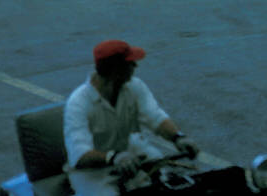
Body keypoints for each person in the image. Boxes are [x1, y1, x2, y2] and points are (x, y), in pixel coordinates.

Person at [63, 40, 199, 196]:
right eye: (130, 63)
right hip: (93, 171)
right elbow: (79, 154)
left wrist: (178, 137)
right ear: (116, 70)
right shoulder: (78, 103)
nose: (135, 66)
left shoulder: (135, 86)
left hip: (130, 154)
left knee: (166, 181)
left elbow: (154, 117)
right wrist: (113, 157)